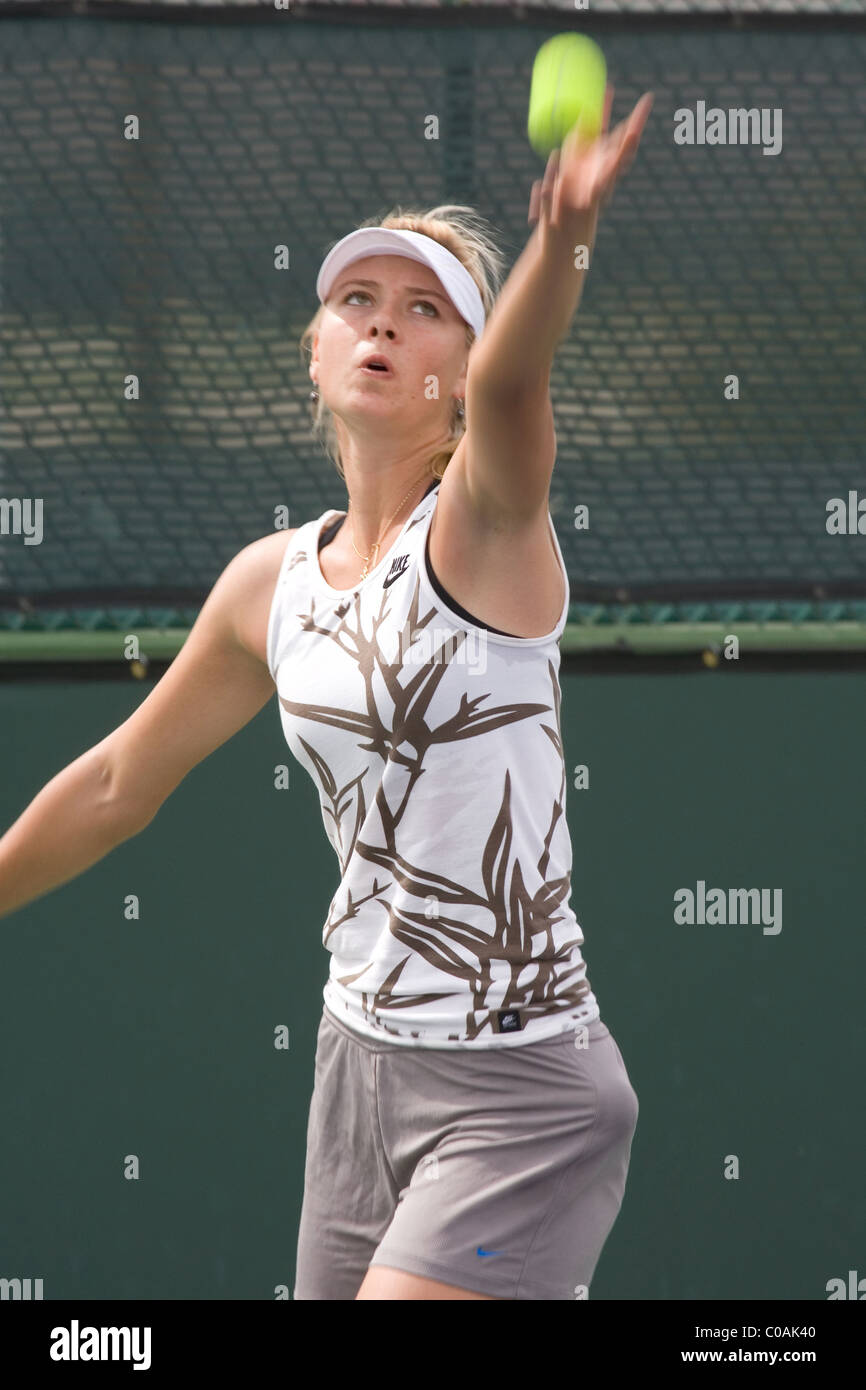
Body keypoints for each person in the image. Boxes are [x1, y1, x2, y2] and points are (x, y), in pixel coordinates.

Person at [0, 87, 652, 1300]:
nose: (381, 326)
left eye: (425, 312)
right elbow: (112, 784)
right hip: (356, 1074)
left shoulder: (483, 532)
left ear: (455, 372)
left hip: (520, 1095)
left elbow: (519, 389)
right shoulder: (269, 584)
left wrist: (563, 241)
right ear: (311, 349)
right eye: (356, 300)